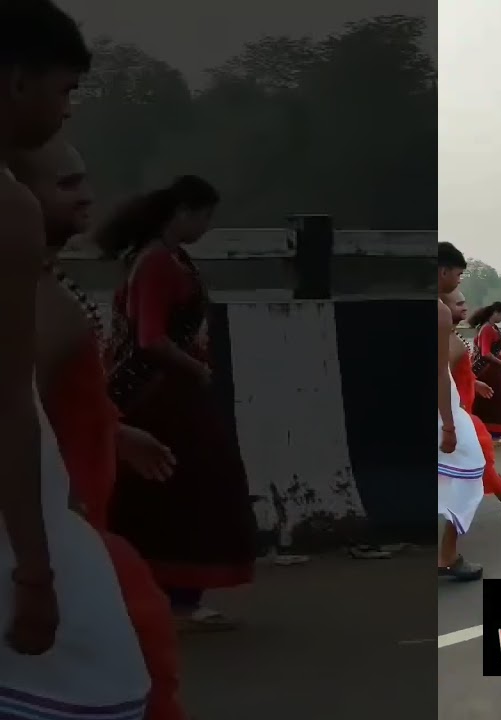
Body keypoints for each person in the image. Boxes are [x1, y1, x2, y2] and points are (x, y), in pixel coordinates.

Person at [0, 2, 149, 717]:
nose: (66, 111)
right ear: (17, 80)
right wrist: (35, 571)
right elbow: (9, 405)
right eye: (63, 91)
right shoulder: (8, 213)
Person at [15, 137, 187, 720]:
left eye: (83, 179)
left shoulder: (45, 286)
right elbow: (12, 418)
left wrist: (112, 431)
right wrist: (37, 567)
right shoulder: (35, 300)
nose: (86, 196)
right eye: (64, 185)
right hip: (53, 539)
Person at [97, 175, 258, 631]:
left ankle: (168, 594)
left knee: (173, 493)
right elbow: (151, 339)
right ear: (184, 212)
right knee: (193, 490)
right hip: (159, 394)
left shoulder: (167, 259)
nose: (206, 226)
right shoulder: (158, 264)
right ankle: (176, 598)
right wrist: (197, 369)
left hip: (166, 393)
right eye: (205, 216)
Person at [441, 287, 501, 520]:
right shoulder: (450, 340)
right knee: (478, 459)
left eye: (464, 302)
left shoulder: (453, 336)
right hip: (456, 414)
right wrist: (449, 424)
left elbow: (453, 373)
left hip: (459, 411)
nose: (464, 307)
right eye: (457, 304)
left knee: (474, 460)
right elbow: (442, 377)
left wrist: (474, 383)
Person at [437, 243, 486, 581]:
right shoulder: (439, 313)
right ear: (443, 271)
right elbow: (440, 371)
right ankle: (447, 556)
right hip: (442, 408)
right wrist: (450, 426)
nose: (458, 281)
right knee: (472, 470)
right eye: (457, 274)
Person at [468, 301, 501, 445]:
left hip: (489, 371)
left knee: (490, 402)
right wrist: (500, 362)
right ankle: (493, 435)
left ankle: (490, 434)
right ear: (495, 313)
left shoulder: (490, 328)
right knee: (499, 401)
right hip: (488, 371)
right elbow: (485, 353)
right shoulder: (488, 329)